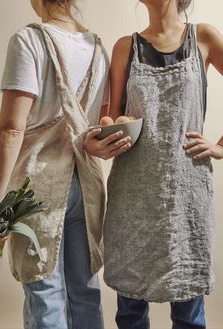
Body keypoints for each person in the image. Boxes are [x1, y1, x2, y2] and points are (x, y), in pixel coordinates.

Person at [0, 1, 131, 328]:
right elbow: (97, 122)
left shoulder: (28, 41)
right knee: (84, 293)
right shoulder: (97, 47)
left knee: (45, 292)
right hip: (88, 186)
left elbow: (11, 129)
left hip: (38, 189)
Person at [84, 0, 223, 328]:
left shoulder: (203, 37)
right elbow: (114, 113)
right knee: (131, 308)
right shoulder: (124, 47)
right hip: (133, 196)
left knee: (188, 306)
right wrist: (113, 125)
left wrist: (219, 147)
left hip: (185, 194)